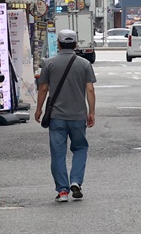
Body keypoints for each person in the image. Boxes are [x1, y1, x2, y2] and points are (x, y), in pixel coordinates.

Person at [35, 29, 96, 202]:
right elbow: (90, 89)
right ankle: (76, 181)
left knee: (58, 153)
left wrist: (39, 109)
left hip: (56, 117)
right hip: (78, 116)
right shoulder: (84, 64)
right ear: (76, 44)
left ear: (59, 44)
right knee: (80, 148)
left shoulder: (49, 63)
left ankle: (62, 190)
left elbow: (43, 88)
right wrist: (91, 112)